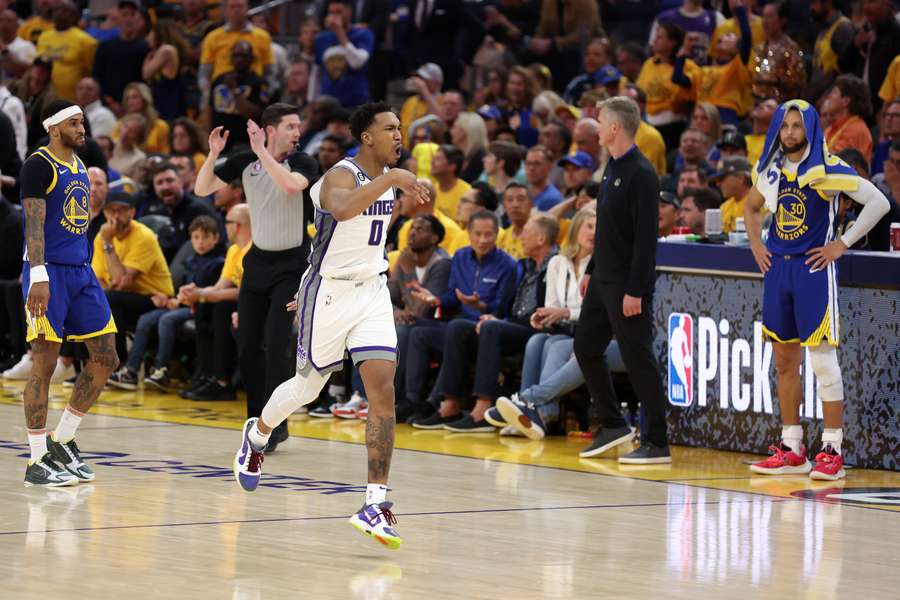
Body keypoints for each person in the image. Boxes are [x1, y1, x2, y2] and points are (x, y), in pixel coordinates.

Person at [231, 102, 430, 549]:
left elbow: (366, 237)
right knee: (308, 387)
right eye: (390, 128)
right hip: (331, 293)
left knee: (383, 393)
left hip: (372, 290)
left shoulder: (387, 182)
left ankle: (375, 502)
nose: (399, 135)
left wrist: (400, 190)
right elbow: (341, 213)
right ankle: (257, 434)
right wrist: (393, 180)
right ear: (367, 137)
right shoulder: (339, 175)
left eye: (400, 128)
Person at [745, 99, 890, 480]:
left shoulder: (828, 168)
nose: (790, 132)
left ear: (810, 128)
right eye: (785, 125)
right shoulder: (771, 168)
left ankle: (832, 449)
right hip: (778, 270)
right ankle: (792, 448)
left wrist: (842, 243)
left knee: (823, 361)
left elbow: (878, 202)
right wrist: (757, 245)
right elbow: (752, 206)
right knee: (784, 362)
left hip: (812, 271)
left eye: (797, 125)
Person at [195, 103, 319, 449]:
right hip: (258, 263)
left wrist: (262, 152)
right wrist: (213, 153)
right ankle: (256, 419)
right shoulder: (245, 162)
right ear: (271, 129)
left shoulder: (303, 162)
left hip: (292, 264)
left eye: (298, 126)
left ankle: (276, 423)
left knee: (277, 343)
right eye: (291, 126)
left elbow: (291, 187)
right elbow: (202, 188)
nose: (298, 132)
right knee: (248, 344)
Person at [17, 99, 120, 487]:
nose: (82, 130)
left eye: (83, 123)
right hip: (47, 273)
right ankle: (36, 459)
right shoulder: (38, 165)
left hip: (80, 271)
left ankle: (63, 439)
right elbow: (34, 225)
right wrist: (39, 275)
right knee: (44, 363)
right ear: (54, 127)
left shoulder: (79, 163)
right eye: (75, 124)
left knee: (106, 353)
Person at [574, 96, 670, 464]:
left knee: (638, 358)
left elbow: (646, 241)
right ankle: (613, 425)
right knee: (585, 347)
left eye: (599, 121)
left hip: (626, 285)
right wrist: (591, 269)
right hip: (603, 281)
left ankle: (657, 443)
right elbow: (607, 231)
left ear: (615, 127)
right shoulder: (610, 168)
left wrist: (636, 290)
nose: (596, 127)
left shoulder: (641, 173)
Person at [422, 213, 558, 432]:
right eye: (478, 233)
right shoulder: (526, 264)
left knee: (491, 327)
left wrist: (495, 319)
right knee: (458, 327)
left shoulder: (554, 265)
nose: (520, 237)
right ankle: (450, 403)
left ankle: (483, 408)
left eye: (526, 232)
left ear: (541, 239)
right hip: (513, 323)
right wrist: (491, 314)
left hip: (536, 328)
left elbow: (544, 309)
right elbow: (506, 306)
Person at [494, 206, 595, 439]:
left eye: (598, 229)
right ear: (577, 229)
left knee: (554, 345)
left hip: (588, 330)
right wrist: (544, 316)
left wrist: (565, 313)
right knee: (536, 340)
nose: (594, 233)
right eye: (589, 227)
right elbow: (552, 304)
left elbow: (594, 312)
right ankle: (526, 414)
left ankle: (540, 413)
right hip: (565, 329)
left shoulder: (598, 265)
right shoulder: (558, 262)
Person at [107, 216, 223, 391]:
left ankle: (162, 370)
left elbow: (212, 291)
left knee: (166, 320)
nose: (200, 242)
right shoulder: (190, 261)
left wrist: (187, 298)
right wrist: (172, 300)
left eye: (206, 237)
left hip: (201, 308)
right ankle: (130, 370)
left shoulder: (218, 263)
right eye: (196, 237)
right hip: (183, 305)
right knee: (146, 319)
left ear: (216, 238)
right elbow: (182, 289)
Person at [92, 189, 174, 367]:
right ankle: (83, 363)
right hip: (124, 296)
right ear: (105, 213)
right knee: (83, 297)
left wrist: (108, 244)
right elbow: (98, 279)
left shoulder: (143, 236)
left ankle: (117, 363)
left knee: (110, 299)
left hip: (155, 298)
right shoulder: (101, 237)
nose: (116, 215)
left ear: (132, 212)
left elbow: (122, 282)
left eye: (121, 210)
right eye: (111, 210)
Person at [180, 203, 252, 400]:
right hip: (238, 302)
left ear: (236, 225)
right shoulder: (234, 250)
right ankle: (207, 374)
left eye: (226, 222)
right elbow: (221, 286)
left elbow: (245, 292)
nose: (224, 227)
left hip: (255, 303)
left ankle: (223, 381)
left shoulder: (254, 250)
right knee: (207, 307)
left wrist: (202, 295)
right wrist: (196, 292)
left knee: (221, 307)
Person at [209, 41, 268, 152]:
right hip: (220, 141)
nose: (239, 59)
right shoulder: (219, 79)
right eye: (236, 56)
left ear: (251, 58)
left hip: (245, 142)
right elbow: (210, 109)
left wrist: (234, 91)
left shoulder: (259, 82)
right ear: (231, 58)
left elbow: (254, 114)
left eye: (243, 56)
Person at [35, 1, 97, 102]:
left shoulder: (86, 41)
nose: (59, 13)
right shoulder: (43, 37)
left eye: (64, 10)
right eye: (56, 10)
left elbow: (92, 73)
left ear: (74, 16)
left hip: (71, 100)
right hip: (43, 98)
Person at [823, 75, 874, 163]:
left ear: (845, 101)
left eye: (834, 92)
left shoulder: (855, 130)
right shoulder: (832, 128)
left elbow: (834, 160)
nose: (828, 96)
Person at [431, 144, 471, 220]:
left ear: (452, 166)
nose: (432, 162)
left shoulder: (467, 192)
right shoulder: (431, 190)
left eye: (438, 159)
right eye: (433, 158)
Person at [713, 156, 753, 233]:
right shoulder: (724, 207)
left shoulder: (759, 203)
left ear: (741, 178)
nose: (718, 184)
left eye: (721, 179)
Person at [496, 182, 533, 259]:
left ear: (531, 204)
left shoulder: (537, 237)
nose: (515, 205)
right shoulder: (501, 238)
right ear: (504, 206)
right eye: (510, 200)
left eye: (521, 199)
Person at [524, 145, 564, 210]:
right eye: (528, 163)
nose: (531, 168)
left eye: (537, 164)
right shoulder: (522, 194)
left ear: (550, 166)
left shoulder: (553, 199)